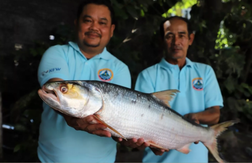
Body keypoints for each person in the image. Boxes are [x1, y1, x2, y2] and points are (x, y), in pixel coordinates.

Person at [37, 0, 131, 162]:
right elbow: (56, 88)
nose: (94, 27)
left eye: (102, 22)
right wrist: (71, 117)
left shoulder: (120, 68)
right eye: (88, 20)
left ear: (111, 30)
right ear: (76, 23)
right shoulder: (57, 53)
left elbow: (118, 118)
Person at [134, 16, 223, 162]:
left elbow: (215, 114)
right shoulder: (147, 75)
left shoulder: (205, 72)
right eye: (170, 36)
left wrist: (195, 117)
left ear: (190, 39)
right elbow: (140, 124)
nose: (176, 42)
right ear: (162, 40)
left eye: (181, 35)